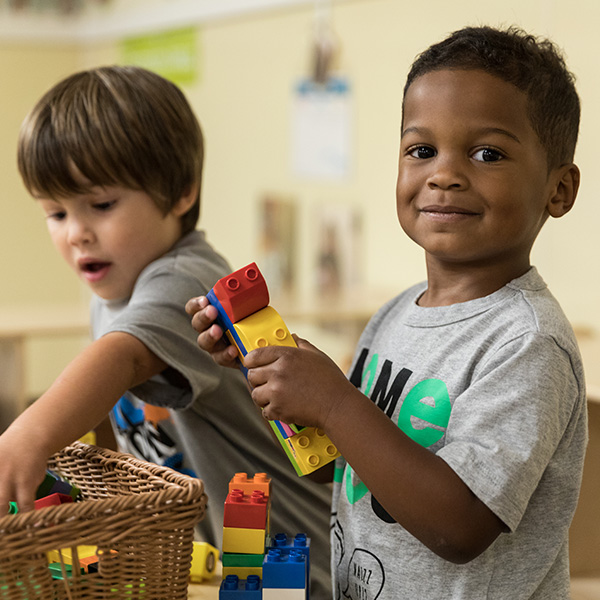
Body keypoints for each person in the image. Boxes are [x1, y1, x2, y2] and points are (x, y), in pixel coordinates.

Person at [188, 26, 587, 599]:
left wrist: (331, 398)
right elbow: (345, 470)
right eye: (421, 150)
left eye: (487, 153)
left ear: (559, 191)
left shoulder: (526, 343)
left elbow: (460, 526)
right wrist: (271, 375)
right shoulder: (395, 315)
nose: (443, 174)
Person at [0, 65, 332, 599]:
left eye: (102, 205)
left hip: (292, 567)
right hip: (203, 564)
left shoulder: (188, 281)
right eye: (55, 213)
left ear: (180, 193)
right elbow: (112, 418)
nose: (77, 233)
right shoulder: (111, 294)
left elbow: (123, 361)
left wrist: (28, 435)